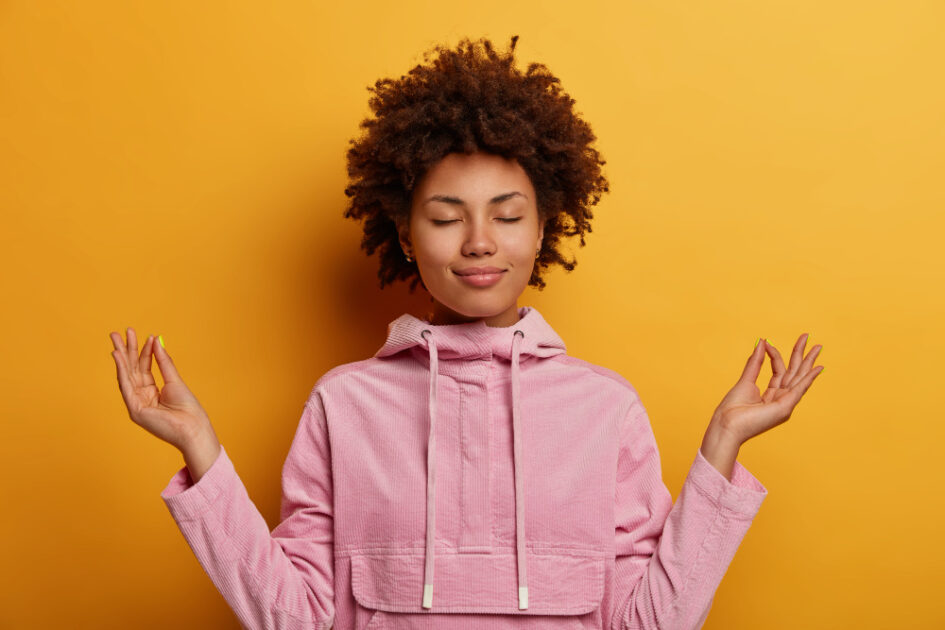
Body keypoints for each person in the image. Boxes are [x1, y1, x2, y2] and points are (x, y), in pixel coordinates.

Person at [109, 35, 824, 630]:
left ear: (545, 227)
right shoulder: (344, 404)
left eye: (507, 216)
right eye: (447, 217)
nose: (479, 242)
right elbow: (293, 618)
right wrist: (201, 452)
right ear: (405, 233)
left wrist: (720, 450)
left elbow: (648, 624)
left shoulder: (605, 410)